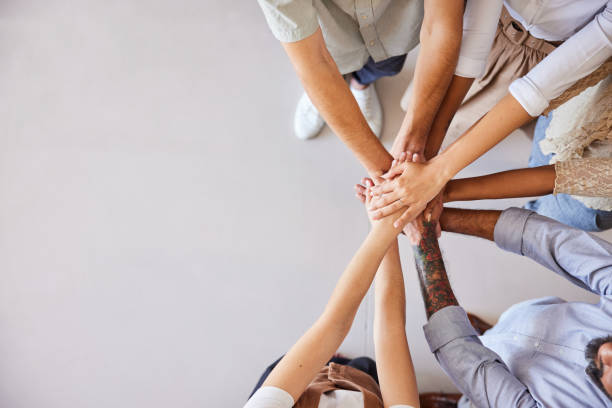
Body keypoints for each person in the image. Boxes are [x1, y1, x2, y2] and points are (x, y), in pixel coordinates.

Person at [367, 2, 612, 228]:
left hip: (560, 55)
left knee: (538, 149)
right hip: (491, 25)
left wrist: (437, 178)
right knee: (443, 123)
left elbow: (538, 90)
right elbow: (475, 31)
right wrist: (426, 152)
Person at [256, 0, 501, 179]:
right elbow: (314, 62)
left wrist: (414, 136)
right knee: (327, 69)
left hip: (394, 29)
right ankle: (323, 96)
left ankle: (361, 84)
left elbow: (440, 25)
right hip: (329, 36)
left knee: (384, 66)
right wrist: (382, 170)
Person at [418, 206, 612, 407]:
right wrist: (434, 214)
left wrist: (422, 238)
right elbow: (552, 240)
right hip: (521, 319)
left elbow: (462, 357)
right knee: (496, 338)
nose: (608, 350)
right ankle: (491, 333)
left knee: (475, 391)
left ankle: (461, 401)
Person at [244, 190, 420, 408]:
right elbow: (390, 329)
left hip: (302, 384)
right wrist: (388, 226)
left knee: (286, 366)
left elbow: (334, 323)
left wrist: (384, 223)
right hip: (362, 380)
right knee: (365, 366)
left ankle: (334, 362)